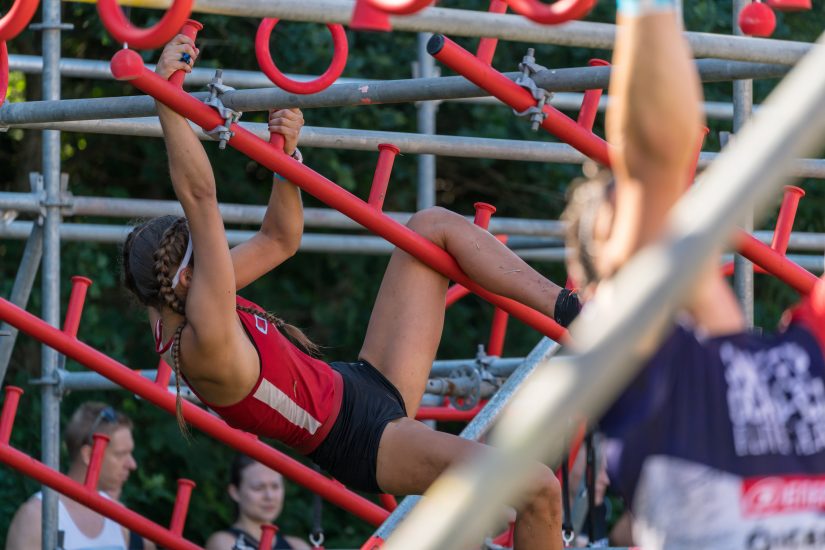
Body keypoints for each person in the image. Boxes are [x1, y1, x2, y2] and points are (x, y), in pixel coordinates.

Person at [121, 34, 583, 550]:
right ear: (186, 276)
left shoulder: (196, 298)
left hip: (367, 382)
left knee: (430, 225)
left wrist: (287, 154)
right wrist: (165, 96)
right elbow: (200, 196)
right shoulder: (201, 334)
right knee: (538, 487)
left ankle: (571, 310)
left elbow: (281, 238)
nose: (218, 256)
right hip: (365, 442)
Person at [562, 1, 825, 549]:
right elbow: (653, 159)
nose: (660, 215)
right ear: (598, 275)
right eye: (626, 212)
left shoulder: (806, 350)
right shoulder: (646, 368)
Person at [5, 402, 154, 550]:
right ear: (89, 455)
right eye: (120, 454)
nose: (132, 464)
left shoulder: (123, 522)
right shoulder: (36, 517)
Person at [205, 454, 310, 550]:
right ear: (235, 492)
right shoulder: (223, 542)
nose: (269, 496)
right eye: (258, 488)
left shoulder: (297, 545)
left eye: (275, 486)